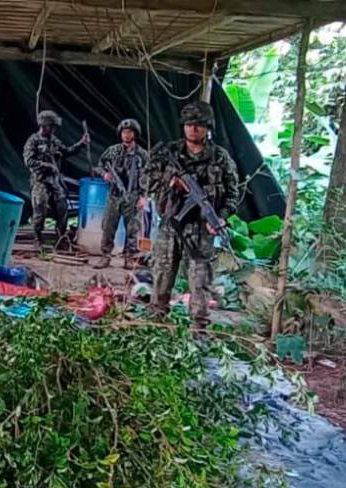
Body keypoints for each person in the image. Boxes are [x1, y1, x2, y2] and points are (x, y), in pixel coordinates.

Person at [140, 101, 240, 331]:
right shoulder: (168, 153)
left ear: (208, 127)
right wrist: (170, 181)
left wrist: (222, 216)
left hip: (201, 228)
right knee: (163, 272)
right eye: (189, 124)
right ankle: (156, 322)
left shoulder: (220, 157)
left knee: (200, 278)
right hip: (170, 225)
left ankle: (199, 327)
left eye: (199, 124)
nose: (193, 128)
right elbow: (144, 181)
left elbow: (233, 193)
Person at [23, 110, 90, 249]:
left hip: (54, 181)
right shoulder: (33, 140)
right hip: (40, 181)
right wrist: (46, 165)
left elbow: (66, 152)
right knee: (40, 208)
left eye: (54, 127)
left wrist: (81, 144)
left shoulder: (54, 140)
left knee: (62, 208)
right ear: (43, 125)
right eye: (51, 126)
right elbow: (29, 160)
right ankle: (38, 239)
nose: (53, 129)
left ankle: (61, 238)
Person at [93, 119, 149, 269]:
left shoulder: (142, 154)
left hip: (133, 196)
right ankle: (105, 257)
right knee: (108, 227)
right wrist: (104, 174)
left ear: (135, 134)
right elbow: (98, 166)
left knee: (133, 229)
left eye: (129, 132)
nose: (126, 135)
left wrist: (144, 197)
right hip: (114, 195)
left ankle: (130, 258)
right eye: (124, 132)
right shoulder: (113, 151)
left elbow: (149, 176)